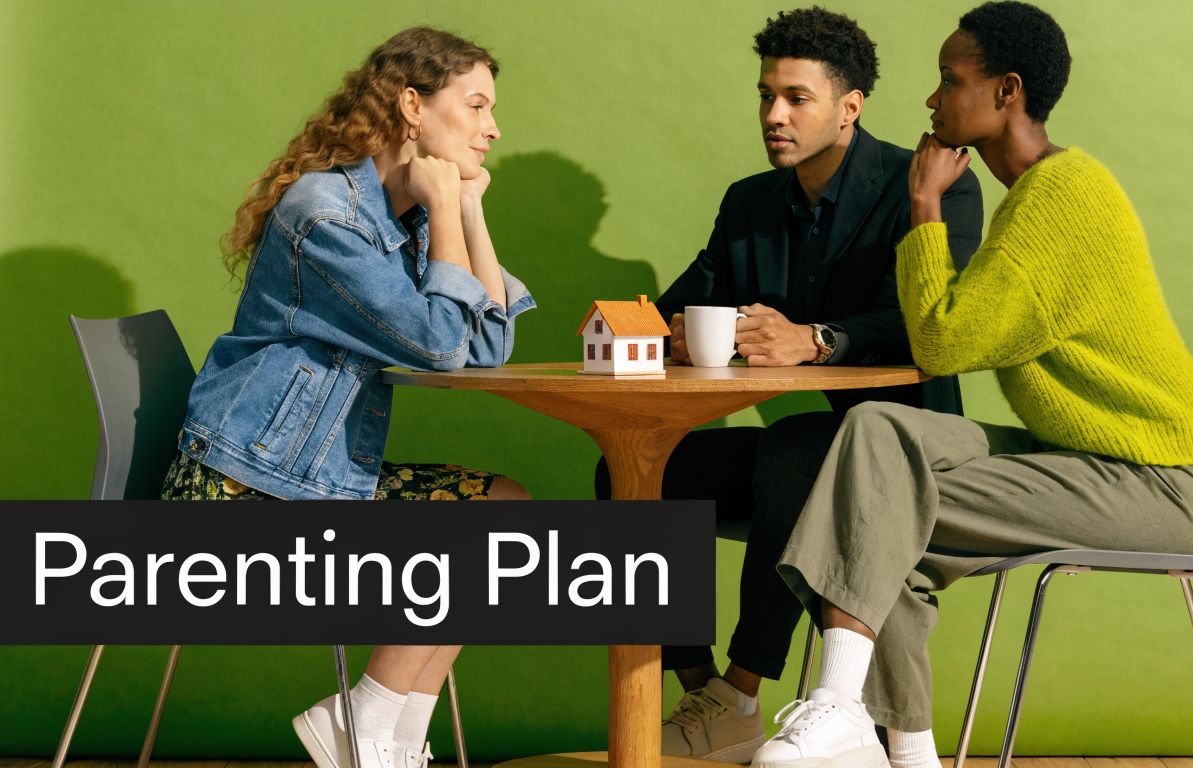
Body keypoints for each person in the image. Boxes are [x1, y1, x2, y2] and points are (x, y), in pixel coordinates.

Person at [749, 3, 1193, 767]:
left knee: (879, 509)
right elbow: (952, 331)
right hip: (1084, 457)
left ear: (1007, 92)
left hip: (1158, 482)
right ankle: (898, 748)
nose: (932, 100)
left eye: (950, 80)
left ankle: (842, 709)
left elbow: (941, 343)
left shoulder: (1061, 203)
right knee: (877, 433)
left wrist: (923, 204)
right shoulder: (1040, 195)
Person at [592, 7, 984, 762]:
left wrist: (816, 340)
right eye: (766, 95)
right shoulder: (750, 203)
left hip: (912, 456)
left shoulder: (930, 190)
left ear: (849, 106)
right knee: (632, 471)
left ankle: (742, 689)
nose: (774, 115)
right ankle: (699, 687)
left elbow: (938, 326)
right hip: (812, 457)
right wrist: (668, 329)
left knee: (795, 451)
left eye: (796, 98)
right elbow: (680, 303)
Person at [159, 27, 534, 768]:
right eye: (477, 105)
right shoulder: (325, 216)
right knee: (469, 540)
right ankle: (365, 725)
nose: (493, 129)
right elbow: (436, 341)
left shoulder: (404, 217)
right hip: (239, 495)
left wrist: (468, 208)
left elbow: (484, 348)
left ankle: (387, 736)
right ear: (412, 107)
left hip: (309, 481)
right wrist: (447, 209)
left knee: (503, 509)